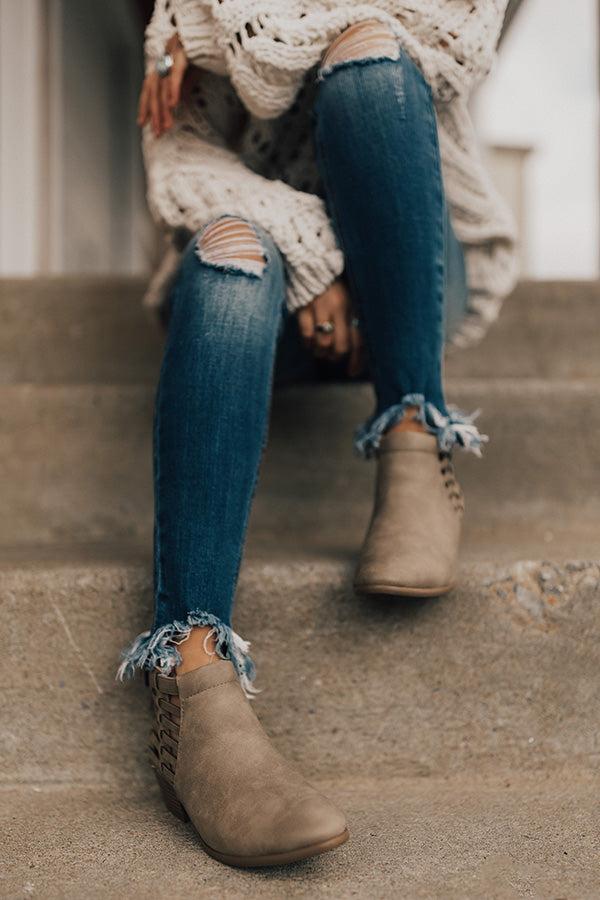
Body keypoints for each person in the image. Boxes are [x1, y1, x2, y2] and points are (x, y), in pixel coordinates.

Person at [118, 1, 518, 868]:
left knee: (368, 61)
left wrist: (211, 20)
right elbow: (180, 160)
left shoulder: (201, 16)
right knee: (232, 251)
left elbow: (455, 36)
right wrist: (307, 255)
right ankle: (190, 673)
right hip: (273, 303)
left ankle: (416, 433)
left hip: (405, 273)